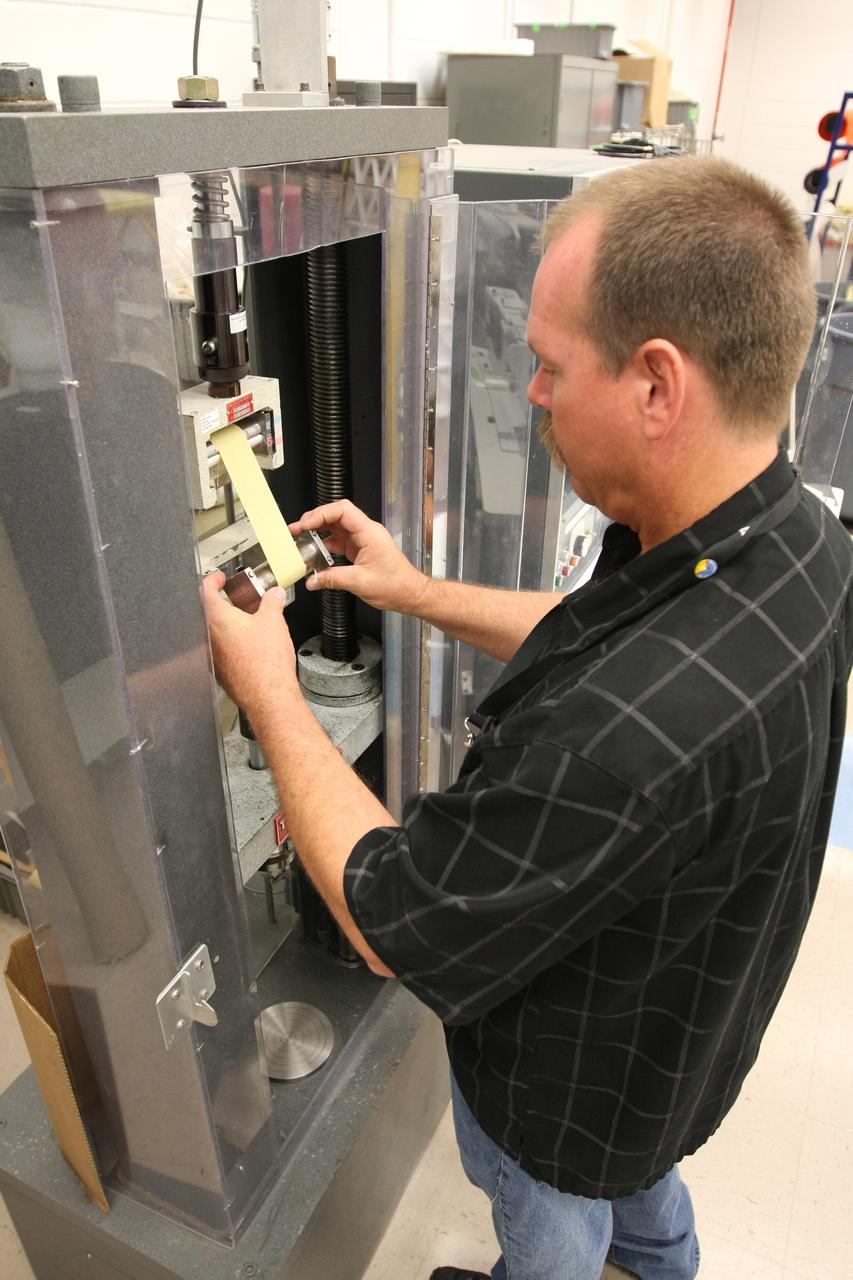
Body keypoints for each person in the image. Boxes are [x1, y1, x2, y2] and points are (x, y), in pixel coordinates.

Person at [202, 156, 853, 1280]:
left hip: (568, 1092)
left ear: (657, 384)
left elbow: (389, 916)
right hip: (680, 1032)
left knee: (552, 1225)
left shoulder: (626, 739)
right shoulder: (796, 537)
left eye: (551, 364)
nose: (534, 393)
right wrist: (415, 591)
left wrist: (268, 687)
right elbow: (601, 633)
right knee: (643, 1188)